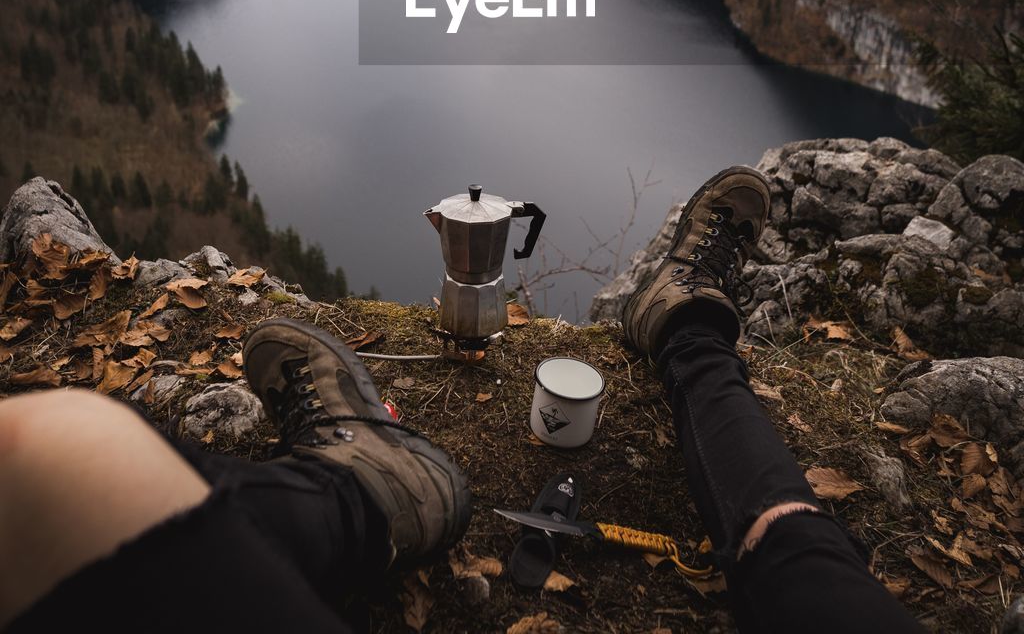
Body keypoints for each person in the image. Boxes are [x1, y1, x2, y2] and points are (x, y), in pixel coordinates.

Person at [0, 166, 925, 633]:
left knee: (50, 460)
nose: (457, 230)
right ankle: (686, 328)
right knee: (54, 459)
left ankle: (358, 489)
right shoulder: (466, 263)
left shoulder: (479, 255)